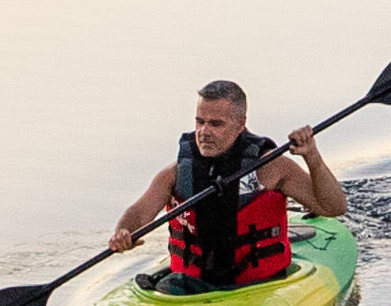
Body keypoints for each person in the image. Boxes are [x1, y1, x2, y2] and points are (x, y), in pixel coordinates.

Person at [114, 78, 344, 294]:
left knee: (173, 285)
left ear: (240, 124)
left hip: (258, 285)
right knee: (169, 284)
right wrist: (124, 232)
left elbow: (332, 207)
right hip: (191, 284)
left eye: (216, 124)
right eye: (200, 122)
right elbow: (138, 212)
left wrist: (311, 156)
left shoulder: (271, 167)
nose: (204, 132)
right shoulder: (177, 172)